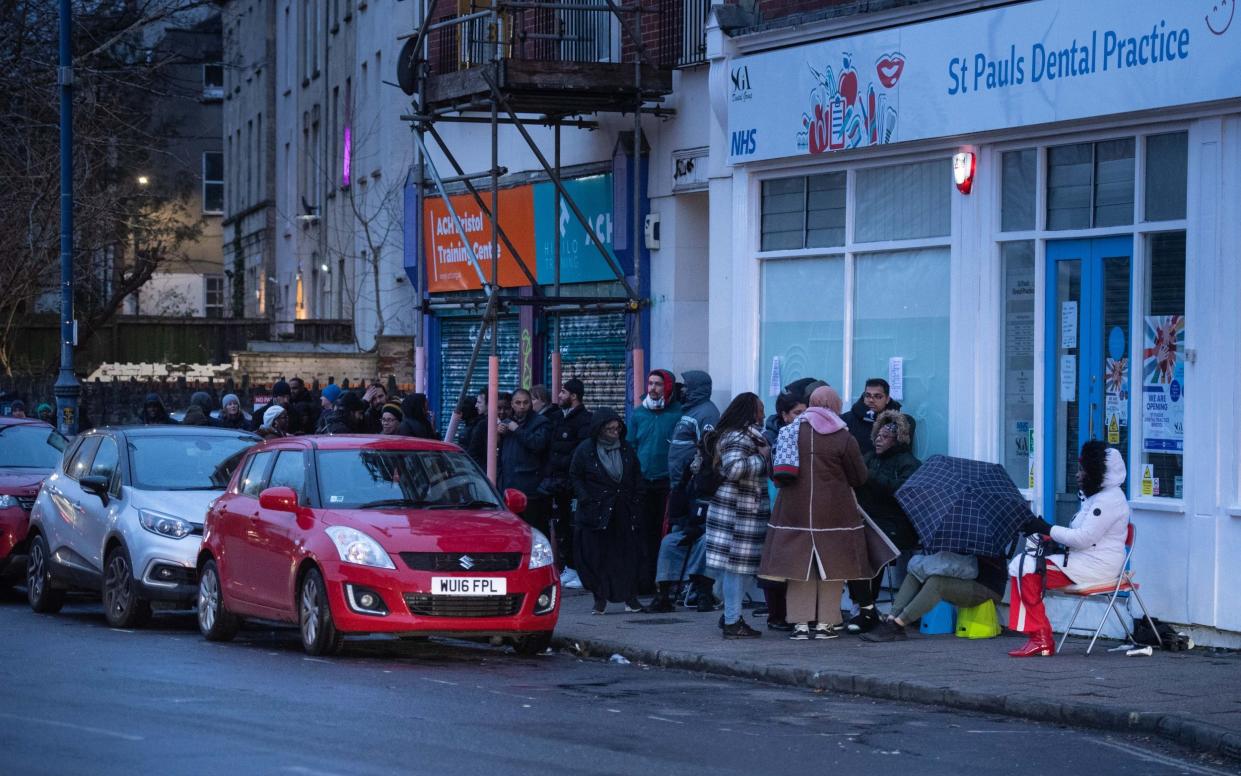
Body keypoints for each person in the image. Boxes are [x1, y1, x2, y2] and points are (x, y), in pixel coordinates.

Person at [760, 386, 871, 641]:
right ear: (834, 405)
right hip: (834, 512)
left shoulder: (791, 431)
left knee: (800, 568)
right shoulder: (842, 436)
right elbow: (859, 476)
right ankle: (825, 624)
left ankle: (800, 624)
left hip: (793, 510)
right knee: (833, 568)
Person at [1006, 441, 1130, 658]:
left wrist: (1047, 528)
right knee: (1023, 565)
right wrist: (1046, 533)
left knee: (1025, 567)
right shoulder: (1098, 497)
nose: (1078, 474)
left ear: (1099, 473)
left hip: (1096, 568)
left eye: (1084, 470)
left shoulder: (1108, 501)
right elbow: (1082, 536)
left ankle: (1041, 637)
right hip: (1086, 562)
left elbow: (1083, 539)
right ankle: (1038, 636)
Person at [845, 410, 922, 634]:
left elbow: (901, 492)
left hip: (895, 525)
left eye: (885, 436)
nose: (879, 439)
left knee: (869, 548)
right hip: (868, 519)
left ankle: (866, 608)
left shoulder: (909, 463)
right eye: (878, 434)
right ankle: (860, 605)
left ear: (899, 438)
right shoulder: (869, 457)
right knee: (850, 544)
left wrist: (870, 476)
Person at [704, 392, 771, 639]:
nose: (763, 413)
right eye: (760, 408)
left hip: (741, 513)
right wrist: (761, 459)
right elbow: (733, 469)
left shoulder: (743, 435)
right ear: (750, 411)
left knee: (738, 570)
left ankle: (731, 615)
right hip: (735, 515)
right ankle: (732, 620)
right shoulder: (738, 437)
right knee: (735, 569)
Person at [569, 408, 644, 615]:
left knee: (625, 555)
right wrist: (586, 498)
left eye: (617, 428)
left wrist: (636, 499)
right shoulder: (586, 450)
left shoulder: (626, 450)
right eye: (609, 429)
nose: (614, 432)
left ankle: (630, 597)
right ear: (599, 430)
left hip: (622, 511)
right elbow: (575, 475)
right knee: (597, 556)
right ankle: (600, 598)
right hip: (596, 512)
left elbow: (636, 476)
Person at [862, 554, 1007, 643]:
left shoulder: (981, 538)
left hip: (987, 588)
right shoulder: (963, 531)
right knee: (916, 572)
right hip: (965, 577)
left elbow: (969, 570)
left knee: (937, 583)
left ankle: (898, 625)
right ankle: (892, 618)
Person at [757, 390, 809, 631]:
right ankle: (777, 613)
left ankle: (789, 612)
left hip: (793, 503)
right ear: (785, 415)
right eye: (798, 412)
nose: (804, 416)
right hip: (778, 501)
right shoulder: (775, 437)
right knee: (777, 561)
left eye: (806, 411)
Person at [629, 369, 684, 595]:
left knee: (664, 535)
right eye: (650, 383)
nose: (652, 388)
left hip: (666, 483)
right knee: (642, 533)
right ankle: (643, 581)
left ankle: (663, 583)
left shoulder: (677, 414)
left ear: (668, 387)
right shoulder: (639, 414)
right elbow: (631, 446)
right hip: (643, 483)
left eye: (658, 384)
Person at [544, 378, 592, 587]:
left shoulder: (584, 421)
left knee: (574, 527)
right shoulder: (558, 418)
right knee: (562, 526)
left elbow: (579, 452)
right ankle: (570, 568)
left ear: (573, 396)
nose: (559, 396)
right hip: (559, 483)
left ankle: (579, 570)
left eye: (563, 392)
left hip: (572, 484)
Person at [497, 388, 552, 536]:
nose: (522, 406)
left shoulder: (541, 422)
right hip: (508, 488)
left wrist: (517, 430)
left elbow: (538, 444)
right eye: (518, 403)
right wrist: (500, 434)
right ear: (512, 405)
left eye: (526, 403)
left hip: (530, 491)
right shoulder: (508, 423)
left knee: (535, 531)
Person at [842, 378, 911, 457]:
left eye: (877, 396)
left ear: (887, 399)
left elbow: (903, 453)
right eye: (867, 396)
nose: (871, 400)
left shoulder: (899, 422)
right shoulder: (846, 420)